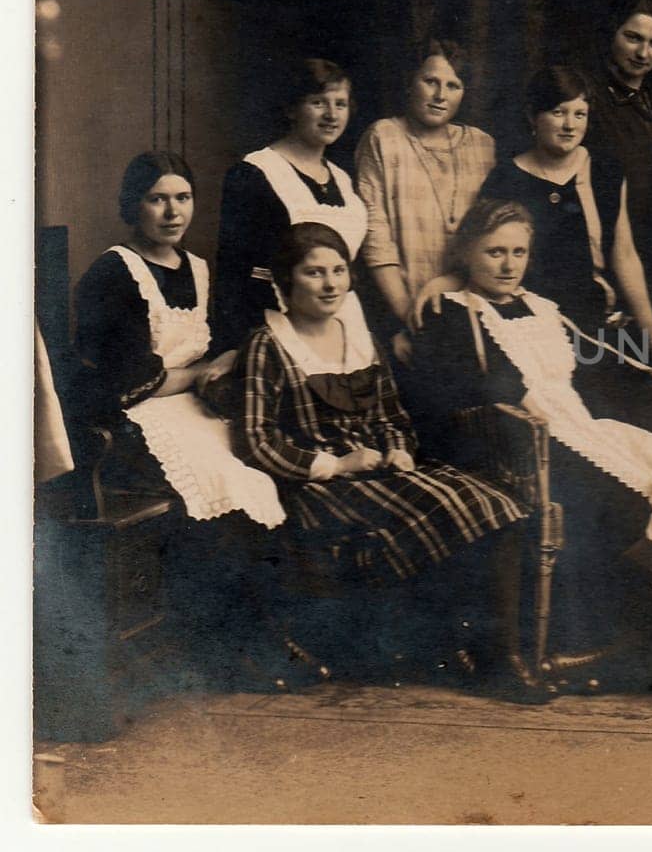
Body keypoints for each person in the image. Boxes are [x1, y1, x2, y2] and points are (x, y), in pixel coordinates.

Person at [235, 222, 539, 695]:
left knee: (495, 501)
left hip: (377, 474)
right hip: (320, 490)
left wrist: (397, 449)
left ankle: (493, 652)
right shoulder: (268, 345)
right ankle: (488, 660)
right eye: (314, 273)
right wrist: (334, 465)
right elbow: (257, 439)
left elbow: (391, 412)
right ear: (285, 281)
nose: (331, 284)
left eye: (338, 270)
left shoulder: (354, 335)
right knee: (461, 506)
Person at [407, 199, 652, 655]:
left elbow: (605, 367)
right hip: (513, 446)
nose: (508, 265)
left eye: (518, 253)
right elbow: (465, 395)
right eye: (494, 252)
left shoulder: (542, 308)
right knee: (615, 499)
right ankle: (595, 638)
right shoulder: (453, 315)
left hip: (577, 427)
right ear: (467, 253)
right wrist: (534, 419)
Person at [72, 151, 276, 518]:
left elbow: (223, 340)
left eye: (183, 198)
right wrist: (200, 372)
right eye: (157, 199)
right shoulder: (114, 272)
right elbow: (133, 380)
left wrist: (226, 358)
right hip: (137, 416)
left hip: (195, 405)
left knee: (261, 463)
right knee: (227, 480)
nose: (173, 213)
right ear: (134, 205)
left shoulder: (197, 268)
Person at [214, 58, 369, 355]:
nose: (331, 114)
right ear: (291, 109)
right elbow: (231, 275)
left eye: (341, 104)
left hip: (345, 328)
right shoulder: (255, 172)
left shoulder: (343, 179)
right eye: (318, 102)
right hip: (275, 330)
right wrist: (234, 349)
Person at [356, 39, 495, 362]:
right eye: (430, 81)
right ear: (410, 82)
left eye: (453, 85)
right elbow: (376, 238)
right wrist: (410, 318)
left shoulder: (483, 146)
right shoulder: (384, 137)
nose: (440, 95)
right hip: (401, 310)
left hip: (473, 306)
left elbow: (491, 233)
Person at [584, 0, 652, 317]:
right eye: (633, 38)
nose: (643, 53)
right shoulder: (587, 97)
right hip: (606, 246)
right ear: (613, 32)